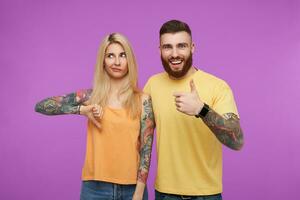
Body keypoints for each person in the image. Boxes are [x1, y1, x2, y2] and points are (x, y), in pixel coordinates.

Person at [35, 33, 154, 200]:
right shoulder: (90, 97)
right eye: (110, 56)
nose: (117, 62)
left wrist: (139, 192)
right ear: (103, 62)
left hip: (132, 189)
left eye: (122, 55)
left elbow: (146, 151)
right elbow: (41, 106)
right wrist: (82, 110)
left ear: (130, 61)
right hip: (95, 190)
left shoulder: (143, 100)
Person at [144, 20, 244, 200]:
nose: (174, 54)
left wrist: (202, 109)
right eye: (168, 47)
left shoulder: (218, 87)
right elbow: (141, 138)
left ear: (192, 47)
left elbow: (237, 142)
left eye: (181, 46)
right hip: (165, 194)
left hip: (206, 195)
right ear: (159, 50)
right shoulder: (152, 84)